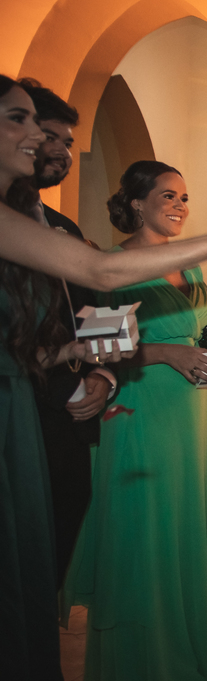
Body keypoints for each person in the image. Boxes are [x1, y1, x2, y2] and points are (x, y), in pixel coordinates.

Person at [63, 160, 207, 681]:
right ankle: (149, 673)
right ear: (137, 203)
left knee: (189, 529)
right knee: (149, 537)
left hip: (193, 415)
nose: (180, 206)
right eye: (168, 196)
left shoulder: (186, 269)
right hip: (141, 409)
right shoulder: (113, 266)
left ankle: (190, 656)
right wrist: (169, 352)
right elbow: (94, 344)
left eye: (185, 197)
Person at [15, 80, 118, 590]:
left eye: (67, 142)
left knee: (53, 550)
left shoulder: (63, 227)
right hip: (24, 407)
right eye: (49, 135)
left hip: (72, 421)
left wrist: (102, 372)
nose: (60, 151)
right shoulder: (16, 226)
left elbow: (92, 310)